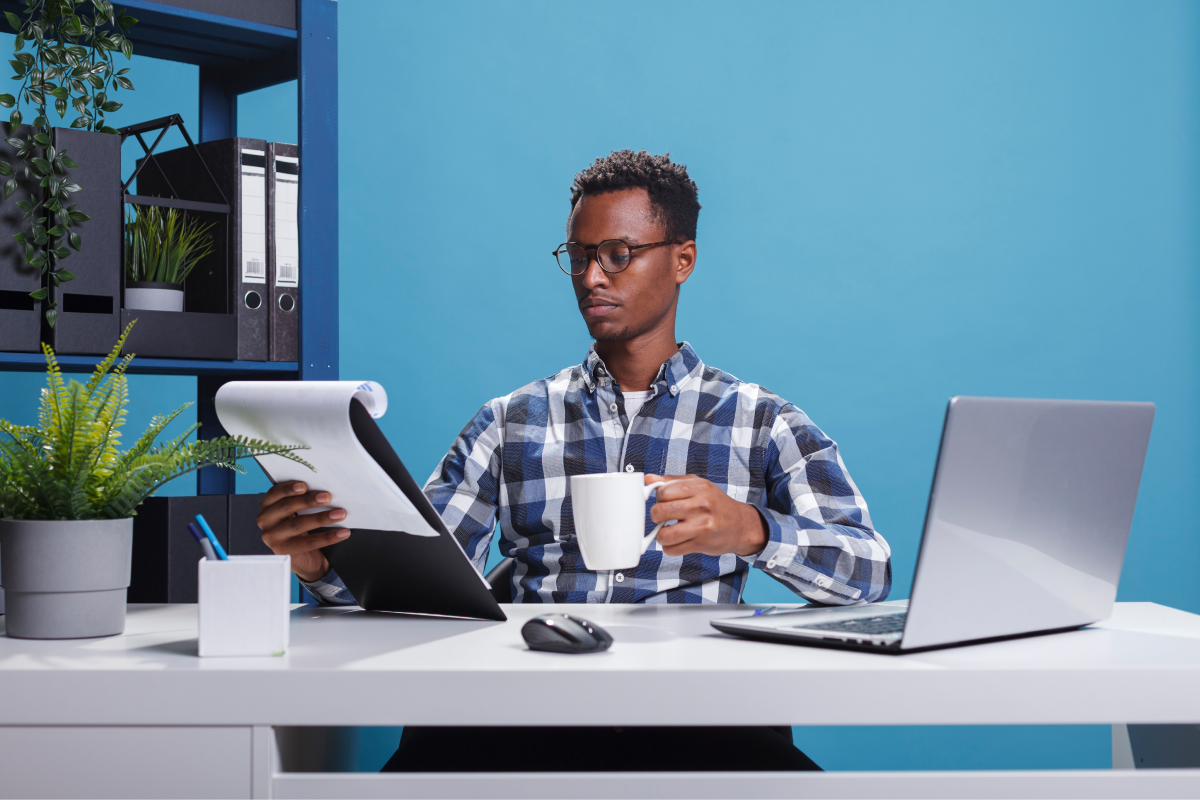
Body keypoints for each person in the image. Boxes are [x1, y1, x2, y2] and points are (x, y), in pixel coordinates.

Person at [256, 150, 892, 771]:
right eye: (580, 257)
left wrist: (753, 531)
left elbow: (869, 574)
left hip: (696, 714)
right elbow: (418, 578)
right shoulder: (510, 420)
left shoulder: (760, 420)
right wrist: (319, 561)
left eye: (618, 255)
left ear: (682, 260)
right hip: (527, 712)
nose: (592, 277)